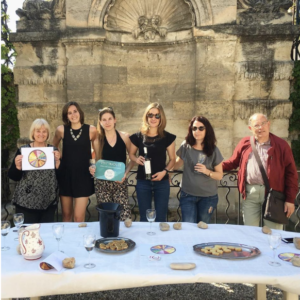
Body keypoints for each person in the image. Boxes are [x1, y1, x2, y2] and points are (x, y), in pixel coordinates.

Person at [222, 113, 298, 230]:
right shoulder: (245, 143)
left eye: (263, 124)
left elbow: (291, 173)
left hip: (274, 195)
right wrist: (212, 166)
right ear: (250, 128)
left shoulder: (281, 145)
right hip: (250, 193)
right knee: (250, 232)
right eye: (256, 125)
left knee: (273, 233)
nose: (260, 128)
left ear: (268, 124)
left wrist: (290, 199)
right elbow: (232, 162)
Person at [129, 102, 176, 222]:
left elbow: (172, 159)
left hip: (162, 182)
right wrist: (136, 159)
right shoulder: (138, 136)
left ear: (161, 118)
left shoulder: (168, 137)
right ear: (146, 117)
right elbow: (131, 154)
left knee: (160, 219)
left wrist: (164, 172)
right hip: (143, 182)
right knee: (144, 219)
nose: (153, 118)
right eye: (150, 115)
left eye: (157, 115)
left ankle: (159, 241)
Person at [8, 119, 61, 223]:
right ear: (33, 132)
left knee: (46, 236)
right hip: (26, 203)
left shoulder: (53, 151)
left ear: (48, 133)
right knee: (28, 235)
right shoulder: (23, 150)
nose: (41, 134)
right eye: (38, 131)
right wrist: (18, 167)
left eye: (44, 131)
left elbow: (61, 177)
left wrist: (58, 163)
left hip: (48, 202)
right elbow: (13, 176)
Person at [53, 102, 98, 222]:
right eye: (69, 113)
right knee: (66, 215)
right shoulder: (61, 130)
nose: (73, 115)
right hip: (65, 175)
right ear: (66, 116)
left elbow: (97, 152)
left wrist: (93, 166)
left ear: (80, 112)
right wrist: (60, 157)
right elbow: (54, 146)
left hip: (83, 176)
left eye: (75, 111)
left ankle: (79, 240)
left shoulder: (91, 130)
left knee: (78, 217)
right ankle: (65, 241)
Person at [173, 116, 223, 223]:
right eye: (194, 128)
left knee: (202, 228)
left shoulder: (213, 150)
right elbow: (176, 164)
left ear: (207, 130)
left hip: (208, 197)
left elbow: (219, 175)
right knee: (188, 227)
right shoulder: (186, 146)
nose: (197, 131)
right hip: (187, 195)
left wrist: (207, 171)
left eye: (201, 128)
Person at [90, 107, 135, 220]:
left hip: (120, 182)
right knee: (106, 218)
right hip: (102, 184)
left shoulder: (125, 137)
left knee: (124, 217)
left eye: (110, 118)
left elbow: (132, 158)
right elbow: (93, 160)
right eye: (104, 119)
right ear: (100, 122)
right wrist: (92, 167)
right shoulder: (96, 140)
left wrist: (125, 173)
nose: (107, 122)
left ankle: (122, 238)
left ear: (115, 120)